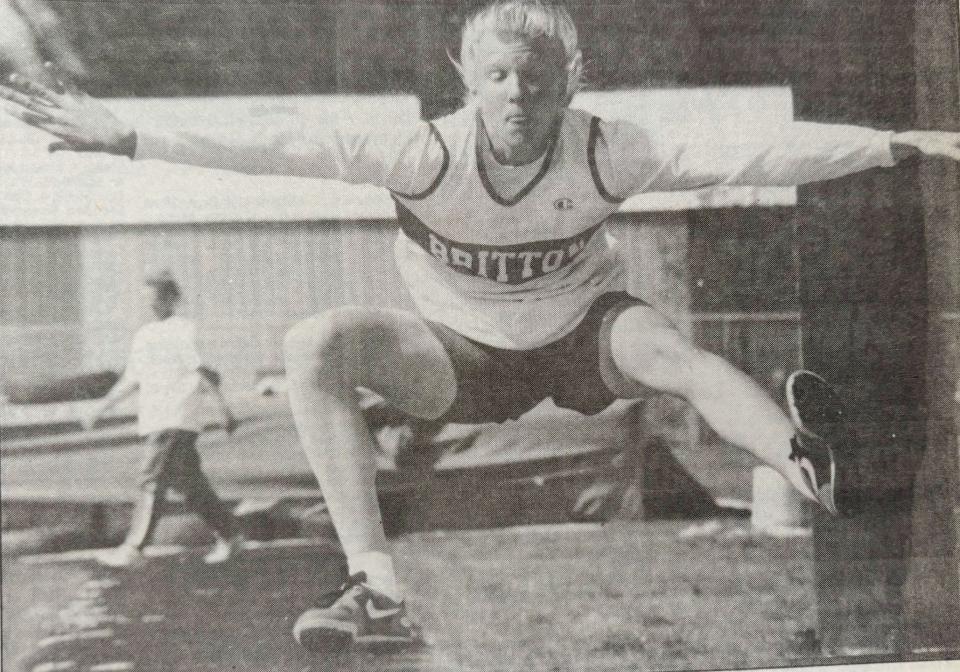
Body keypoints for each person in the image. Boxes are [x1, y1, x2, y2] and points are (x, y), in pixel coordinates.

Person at [2, 0, 959, 650]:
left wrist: (894, 143)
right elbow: (277, 142)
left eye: (537, 80)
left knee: (674, 352)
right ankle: (375, 585)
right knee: (315, 344)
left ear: (568, 85)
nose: (518, 98)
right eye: (500, 77)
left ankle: (810, 467)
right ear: (468, 78)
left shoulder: (608, 150)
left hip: (586, 330)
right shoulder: (421, 154)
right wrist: (127, 132)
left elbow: (748, 149)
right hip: (460, 354)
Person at [79, 270, 244, 567]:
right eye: (147, 301)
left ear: (171, 299)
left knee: (151, 478)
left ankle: (134, 547)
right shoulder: (144, 335)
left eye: (156, 300)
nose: (151, 306)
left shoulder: (182, 329)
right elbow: (131, 379)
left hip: (176, 417)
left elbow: (201, 371)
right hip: (156, 418)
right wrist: (99, 408)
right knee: (191, 486)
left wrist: (224, 410)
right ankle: (231, 535)